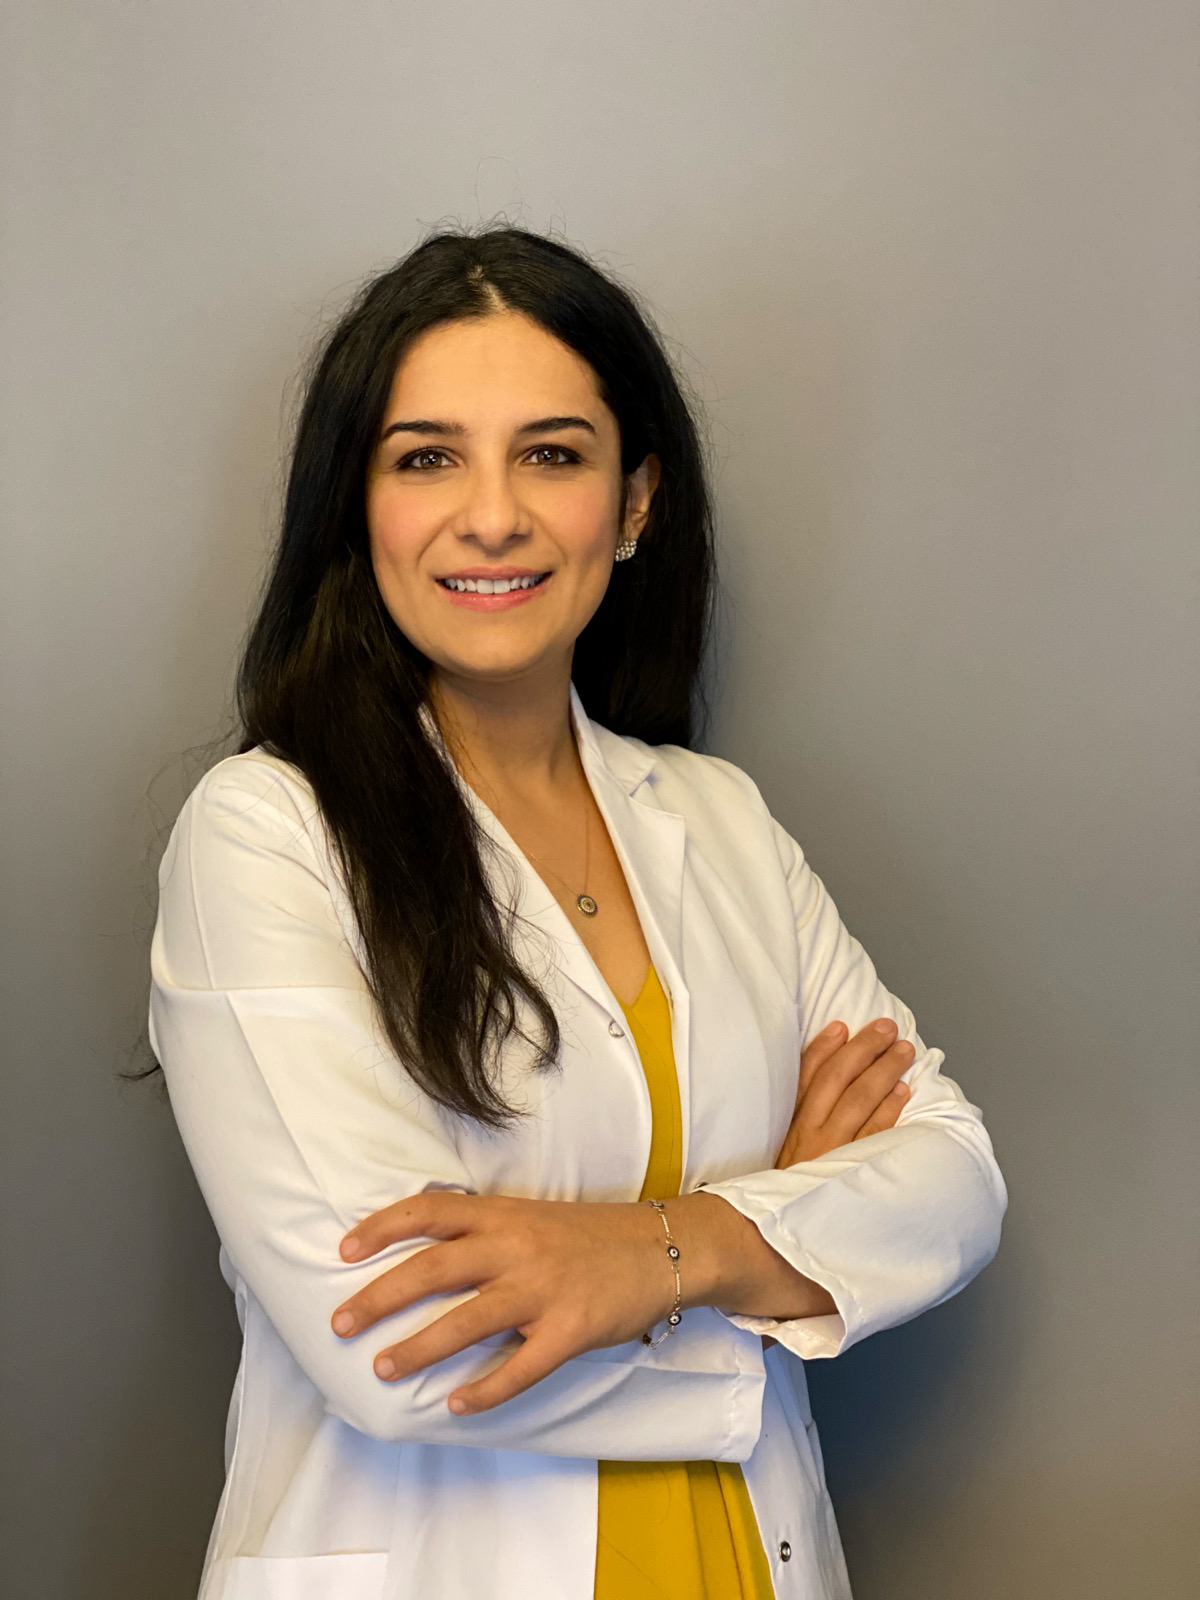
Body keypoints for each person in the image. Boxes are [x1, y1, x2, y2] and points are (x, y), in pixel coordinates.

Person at [150, 228, 1006, 1600]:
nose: (493, 516)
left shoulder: (721, 819)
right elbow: (399, 1351)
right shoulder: (266, 834)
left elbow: (954, 1181)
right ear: (355, 505)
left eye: (551, 454)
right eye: (426, 458)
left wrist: (662, 1253)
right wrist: (778, 1264)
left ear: (635, 501)